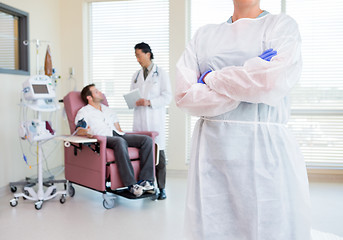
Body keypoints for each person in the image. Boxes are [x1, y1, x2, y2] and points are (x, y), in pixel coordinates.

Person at [175, 0, 311, 239]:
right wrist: (248, 81)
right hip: (212, 152)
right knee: (213, 224)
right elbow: (185, 95)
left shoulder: (280, 26)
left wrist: (209, 78)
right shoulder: (204, 35)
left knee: (268, 225)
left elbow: (272, 83)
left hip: (264, 148)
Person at [75, 84, 155, 197]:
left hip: (118, 134)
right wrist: (86, 132)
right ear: (89, 97)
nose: (100, 92)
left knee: (146, 140)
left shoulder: (108, 110)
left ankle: (146, 181)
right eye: (96, 91)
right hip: (103, 138)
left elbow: (118, 129)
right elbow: (79, 129)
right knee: (119, 141)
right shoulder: (84, 112)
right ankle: (131, 184)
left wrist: (125, 135)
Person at [131, 42, 172, 200]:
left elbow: (167, 96)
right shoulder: (136, 75)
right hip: (140, 120)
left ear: (148, 54)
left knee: (159, 155)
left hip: (154, 120)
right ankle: (147, 185)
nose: (137, 59)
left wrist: (149, 102)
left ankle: (161, 188)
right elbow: (131, 95)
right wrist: (134, 101)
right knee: (143, 155)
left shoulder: (161, 73)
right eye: (136, 56)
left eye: (139, 55)